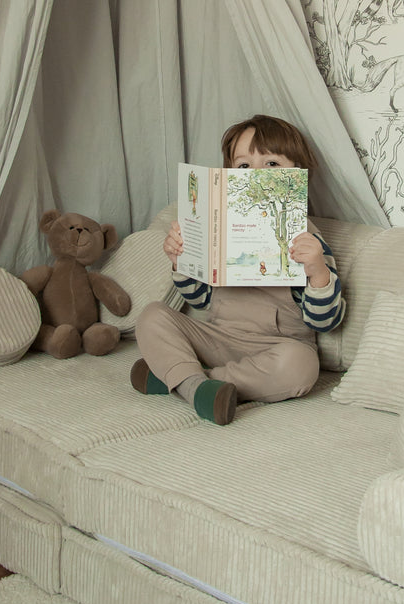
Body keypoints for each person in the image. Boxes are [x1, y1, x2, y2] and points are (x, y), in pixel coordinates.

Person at [131, 115, 345, 426]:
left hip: (274, 347)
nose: (256, 175)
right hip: (217, 338)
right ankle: (193, 385)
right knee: (152, 315)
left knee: (301, 366)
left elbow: (325, 321)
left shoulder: (307, 240)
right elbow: (203, 301)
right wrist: (181, 260)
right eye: (244, 167)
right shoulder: (220, 226)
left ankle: (185, 380)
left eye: (271, 164)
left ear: (298, 174)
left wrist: (317, 271)